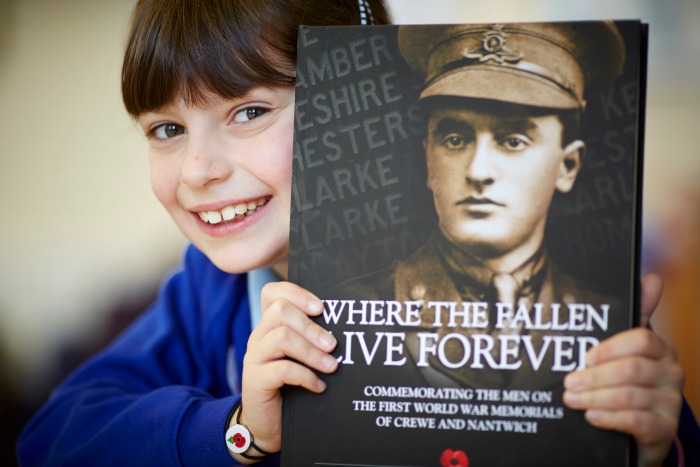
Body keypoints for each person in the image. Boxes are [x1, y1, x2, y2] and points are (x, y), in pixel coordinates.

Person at [15, 5, 696, 467]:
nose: (198, 170)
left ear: (358, 104)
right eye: (167, 129)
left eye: (249, 111)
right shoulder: (209, 293)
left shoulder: (587, 307)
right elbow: (49, 438)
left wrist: (659, 444)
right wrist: (237, 429)